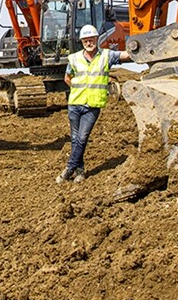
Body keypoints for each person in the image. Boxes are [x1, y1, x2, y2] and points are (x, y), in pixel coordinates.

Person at [56, 24, 131, 184]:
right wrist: (80, 90)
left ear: (97, 40)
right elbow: (67, 78)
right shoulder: (74, 58)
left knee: (82, 138)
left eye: (91, 40)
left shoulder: (106, 56)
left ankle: (69, 168)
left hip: (93, 106)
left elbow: (125, 55)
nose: (88, 43)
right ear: (82, 41)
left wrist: (142, 49)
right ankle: (80, 171)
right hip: (75, 104)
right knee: (75, 138)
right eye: (86, 40)